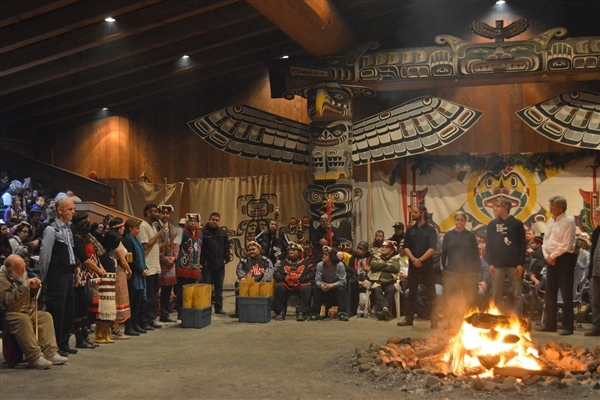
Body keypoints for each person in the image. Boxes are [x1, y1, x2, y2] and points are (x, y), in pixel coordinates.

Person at [0, 254, 68, 369]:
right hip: (12, 312)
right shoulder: (2, 280)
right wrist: (25, 287)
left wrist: (35, 288)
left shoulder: (19, 274)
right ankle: (34, 357)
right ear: (10, 270)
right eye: (20, 268)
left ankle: (50, 353)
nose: (24, 270)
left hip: (28, 309)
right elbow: (8, 302)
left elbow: (32, 297)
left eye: (24, 266)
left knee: (45, 317)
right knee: (22, 320)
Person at [37, 196, 77, 357]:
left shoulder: (68, 229)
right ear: (60, 210)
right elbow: (45, 255)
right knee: (57, 310)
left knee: (68, 309)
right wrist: (44, 277)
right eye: (70, 209)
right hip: (56, 275)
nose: (73, 212)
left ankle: (64, 342)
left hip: (68, 274)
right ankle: (54, 345)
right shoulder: (51, 229)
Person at [538, 195, 577, 335]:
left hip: (564, 259)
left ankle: (567, 326)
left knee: (566, 294)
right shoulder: (551, 221)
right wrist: (547, 256)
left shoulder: (569, 222)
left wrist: (553, 256)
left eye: (552, 205)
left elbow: (567, 244)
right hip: (550, 259)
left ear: (560, 207)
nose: (550, 208)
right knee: (550, 293)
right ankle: (550, 324)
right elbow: (545, 242)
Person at [398, 204, 439, 329]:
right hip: (413, 265)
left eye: (415, 212)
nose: (413, 214)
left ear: (422, 213)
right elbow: (406, 247)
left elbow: (432, 248)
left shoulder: (431, 230)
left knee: (431, 293)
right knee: (412, 293)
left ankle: (434, 319)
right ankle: (409, 318)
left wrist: (420, 259)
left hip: (426, 265)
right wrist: (413, 259)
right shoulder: (410, 230)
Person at [485, 197, 526, 317]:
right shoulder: (492, 224)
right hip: (497, 264)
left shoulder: (517, 224)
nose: (495, 209)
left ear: (505, 207)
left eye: (498, 206)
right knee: (495, 293)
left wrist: (521, 264)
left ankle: (518, 319)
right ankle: (494, 317)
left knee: (517, 294)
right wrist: (490, 263)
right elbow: (489, 245)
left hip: (514, 265)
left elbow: (522, 245)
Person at [440, 211, 481, 329]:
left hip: (468, 272)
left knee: (470, 298)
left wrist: (477, 270)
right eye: (457, 220)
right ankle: (452, 322)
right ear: (454, 221)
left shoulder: (470, 236)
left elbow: (475, 253)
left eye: (461, 220)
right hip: (452, 272)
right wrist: (444, 267)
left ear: (465, 222)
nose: (459, 222)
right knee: (452, 298)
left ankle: (470, 321)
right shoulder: (448, 235)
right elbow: (444, 253)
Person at [71, 212, 105, 349]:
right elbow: (84, 259)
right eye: (85, 220)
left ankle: (85, 337)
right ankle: (80, 339)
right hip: (79, 277)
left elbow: (95, 255)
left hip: (89, 277)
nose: (88, 222)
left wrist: (99, 267)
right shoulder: (76, 239)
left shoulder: (86, 238)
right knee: (79, 308)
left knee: (85, 308)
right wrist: (98, 270)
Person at [273, 242, 314, 321]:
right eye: (290, 250)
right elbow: (276, 273)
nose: (291, 252)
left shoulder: (306, 262)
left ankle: (302, 312)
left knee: (307, 288)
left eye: (294, 250)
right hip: (286, 284)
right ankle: (280, 312)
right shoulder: (283, 262)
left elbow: (312, 273)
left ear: (299, 253)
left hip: (301, 284)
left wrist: (303, 278)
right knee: (279, 287)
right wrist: (284, 278)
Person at [122, 218, 150, 334]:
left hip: (139, 273)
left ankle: (136, 323)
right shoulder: (127, 241)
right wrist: (140, 270)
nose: (139, 231)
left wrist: (145, 267)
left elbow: (141, 257)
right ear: (130, 229)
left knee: (138, 301)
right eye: (137, 228)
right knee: (132, 302)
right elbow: (130, 260)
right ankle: (130, 326)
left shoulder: (135, 240)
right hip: (133, 275)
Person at [138, 203, 162, 330]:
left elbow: (154, 246)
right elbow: (145, 246)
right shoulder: (143, 226)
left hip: (155, 265)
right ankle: (144, 321)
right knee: (147, 296)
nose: (157, 214)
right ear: (147, 213)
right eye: (155, 211)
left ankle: (151, 318)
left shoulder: (153, 226)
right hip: (147, 266)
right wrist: (157, 236)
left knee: (154, 295)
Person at [107, 218, 133, 338]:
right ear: (117, 228)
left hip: (118, 270)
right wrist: (129, 269)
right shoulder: (115, 239)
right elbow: (122, 259)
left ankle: (115, 329)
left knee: (118, 298)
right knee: (117, 299)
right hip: (118, 270)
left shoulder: (115, 238)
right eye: (122, 227)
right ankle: (115, 330)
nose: (124, 229)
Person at [233, 241, 274, 316]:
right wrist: (242, 277)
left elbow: (270, 270)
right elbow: (239, 269)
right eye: (250, 250)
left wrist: (264, 279)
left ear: (259, 250)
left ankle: (263, 312)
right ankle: (240, 312)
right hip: (247, 283)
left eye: (253, 249)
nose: (251, 251)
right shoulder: (244, 261)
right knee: (238, 284)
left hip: (261, 282)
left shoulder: (266, 261)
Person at [201, 212, 230, 315]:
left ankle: (219, 308)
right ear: (209, 220)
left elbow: (227, 247)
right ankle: (207, 307)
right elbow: (200, 248)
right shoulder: (203, 233)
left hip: (220, 265)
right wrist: (203, 262)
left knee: (219, 287)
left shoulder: (222, 233)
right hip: (207, 266)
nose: (215, 222)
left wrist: (226, 259)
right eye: (213, 220)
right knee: (207, 287)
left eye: (217, 220)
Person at [175, 213, 203, 319]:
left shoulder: (201, 233)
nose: (193, 223)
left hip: (194, 267)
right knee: (181, 291)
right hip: (183, 266)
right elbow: (174, 247)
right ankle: (180, 313)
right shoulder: (181, 232)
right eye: (191, 221)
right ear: (187, 222)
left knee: (191, 291)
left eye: (195, 221)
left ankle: (189, 311)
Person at [368, 240, 403, 321]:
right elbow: (373, 266)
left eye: (386, 247)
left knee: (391, 289)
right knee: (376, 289)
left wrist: (380, 266)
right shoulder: (376, 257)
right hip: (377, 282)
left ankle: (382, 311)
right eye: (382, 247)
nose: (383, 249)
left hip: (390, 282)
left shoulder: (395, 258)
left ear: (391, 251)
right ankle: (386, 309)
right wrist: (386, 264)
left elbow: (395, 268)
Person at [311, 246, 348, 321]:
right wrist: (321, 285)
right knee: (317, 290)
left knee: (341, 289)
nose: (323, 256)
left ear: (332, 256)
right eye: (323, 254)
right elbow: (317, 280)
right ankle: (315, 313)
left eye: (326, 254)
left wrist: (331, 285)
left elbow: (343, 281)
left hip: (335, 289)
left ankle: (342, 313)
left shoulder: (340, 265)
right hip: (324, 290)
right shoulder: (320, 265)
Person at [155, 204, 178, 323]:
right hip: (157, 262)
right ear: (158, 213)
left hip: (170, 263)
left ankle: (165, 313)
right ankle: (152, 316)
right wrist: (162, 258)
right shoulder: (154, 227)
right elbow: (153, 246)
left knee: (167, 290)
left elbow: (176, 246)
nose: (165, 215)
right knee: (154, 290)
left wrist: (173, 259)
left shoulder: (173, 228)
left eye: (167, 213)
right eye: (163, 213)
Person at [586, 206, 600, 336]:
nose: (595, 217)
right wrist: (590, 272)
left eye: (597, 214)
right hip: (596, 272)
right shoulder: (596, 233)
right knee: (595, 300)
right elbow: (593, 254)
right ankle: (596, 327)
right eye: (595, 214)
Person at [348, 241, 371, 316]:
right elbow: (350, 271)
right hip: (356, 280)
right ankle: (353, 310)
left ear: (365, 250)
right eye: (357, 248)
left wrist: (366, 280)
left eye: (360, 249)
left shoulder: (371, 258)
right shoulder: (353, 258)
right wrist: (357, 281)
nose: (358, 250)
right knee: (352, 284)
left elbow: (373, 272)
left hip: (368, 279)